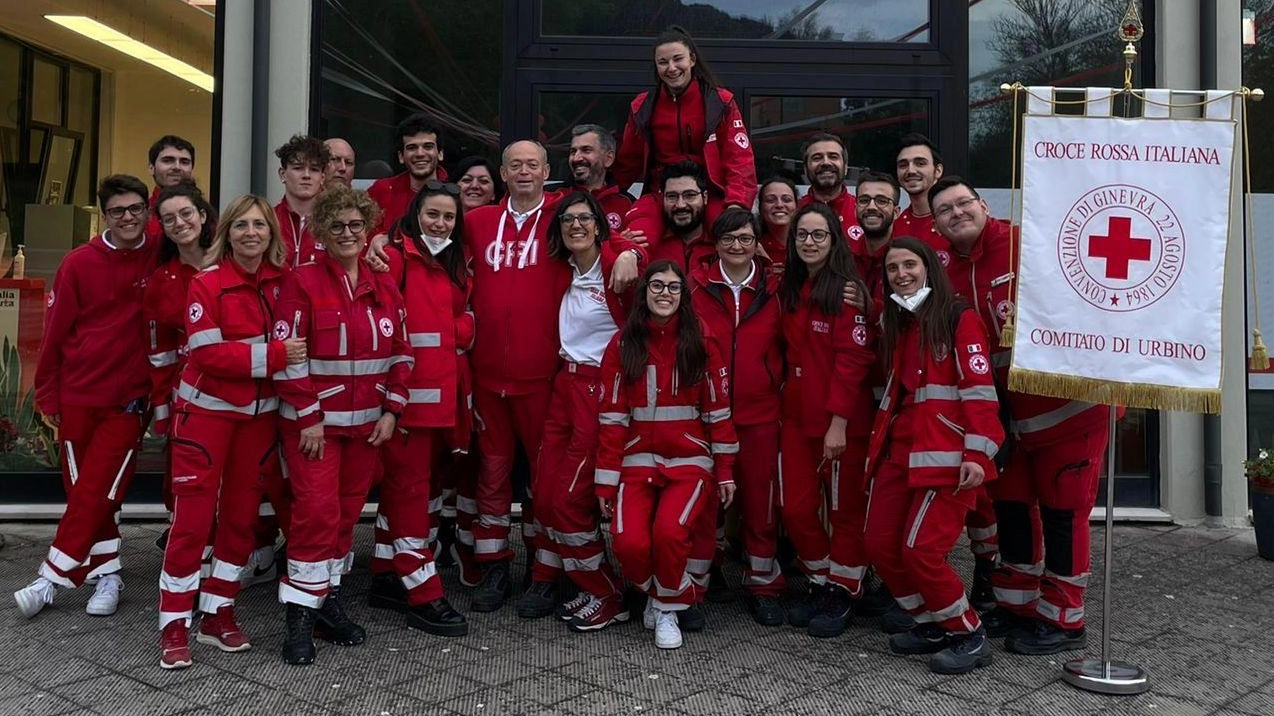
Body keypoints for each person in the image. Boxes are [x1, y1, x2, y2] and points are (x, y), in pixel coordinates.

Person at [927, 176, 1111, 656]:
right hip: (1007, 422)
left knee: (1062, 513)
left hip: (1068, 412)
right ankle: (1019, 606)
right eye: (944, 210)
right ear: (937, 224)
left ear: (984, 205)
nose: (956, 213)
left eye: (963, 203)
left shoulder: (1029, 244)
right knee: (1013, 510)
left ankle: (1065, 620)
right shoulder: (943, 269)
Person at [461, 140, 640, 612]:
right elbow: (426, 241)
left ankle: (544, 573)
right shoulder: (476, 222)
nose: (524, 172)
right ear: (502, 172)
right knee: (492, 478)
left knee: (545, 483)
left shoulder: (562, 217)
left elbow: (601, 234)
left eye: (533, 165)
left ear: (546, 172)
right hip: (486, 379)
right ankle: (494, 568)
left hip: (543, 379)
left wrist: (627, 253)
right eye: (515, 165)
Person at [156, 194, 296, 669]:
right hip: (207, 419)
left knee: (240, 520)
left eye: (260, 226)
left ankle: (218, 612)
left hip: (259, 422)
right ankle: (174, 623)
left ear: (271, 235)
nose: (251, 233)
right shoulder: (207, 284)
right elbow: (208, 355)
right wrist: (275, 357)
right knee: (193, 522)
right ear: (227, 234)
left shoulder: (284, 285)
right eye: (242, 226)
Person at [273, 186, 412, 665]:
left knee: (346, 517)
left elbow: (402, 353)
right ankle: (298, 620)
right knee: (314, 515)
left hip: (367, 430)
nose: (348, 234)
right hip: (315, 430)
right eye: (337, 226)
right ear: (321, 232)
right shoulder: (302, 282)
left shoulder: (384, 283)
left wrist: (393, 410)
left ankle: (325, 601)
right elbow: (289, 358)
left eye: (356, 225)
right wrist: (309, 417)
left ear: (368, 228)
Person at [16, 175, 160, 618]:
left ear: (146, 211)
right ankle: (109, 575)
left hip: (128, 401)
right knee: (87, 494)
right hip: (78, 397)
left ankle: (50, 578)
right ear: (104, 215)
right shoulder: (79, 263)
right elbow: (54, 333)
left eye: (136, 208)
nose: (129, 218)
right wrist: (47, 395)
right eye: (118, 211)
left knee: (98, 490)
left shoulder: (159, 255)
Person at [863, 236, 1003, 675]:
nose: (901, 275)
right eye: (892, 269)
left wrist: (978, 454)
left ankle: (967, 631)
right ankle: (930, 622)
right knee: (878, 544)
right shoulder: (901, 322)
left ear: (929, 268)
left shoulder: (959, 318)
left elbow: (980, 393)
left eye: (910, 265)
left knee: (919, 550)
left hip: (947, 458)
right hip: (900, 452)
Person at [595, 261, 738, 650]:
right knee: (628, 543)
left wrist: (725, 471)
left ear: (683, 296)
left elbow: (719, 413)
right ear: (643, 294)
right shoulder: (624, 344)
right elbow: (611, 420)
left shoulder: (702, 341)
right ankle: (664, 594)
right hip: (636, 458)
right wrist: (605, 483)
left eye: (674, 288)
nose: (664, 294)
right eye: (656, 286)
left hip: (690, 459)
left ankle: (666, 608)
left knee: (671, 534)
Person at [521, 191, 634, 630]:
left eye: (585, 218)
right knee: (545, 492)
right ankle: (575, 581)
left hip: (597, 390)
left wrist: (629, 251)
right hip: (562, 385)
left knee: (570, 499)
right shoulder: (562, 270)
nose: (576, 226)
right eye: (567, 219)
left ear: (600, 225)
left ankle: (607, 592)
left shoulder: (616, 270)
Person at [366, 180, 472, 637]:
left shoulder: (450, 262)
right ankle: (424, 593)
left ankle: (387, 574)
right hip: (402, 406)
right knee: (410, 497)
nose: (440, 223)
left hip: (435, 405)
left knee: (410, 491)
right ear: (414, 214)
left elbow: (464, 318)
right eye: (432, 214)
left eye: (449, 217)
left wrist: (462, 329)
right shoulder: (391, 259)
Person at [776, 203, 877, 638]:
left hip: (841, 422)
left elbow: (853, 360)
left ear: (834, 241)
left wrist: (838, 422)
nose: (809, 242)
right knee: (795, 506)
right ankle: (820, 578)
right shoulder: (792, 285)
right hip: (796, 418)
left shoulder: (846, 290)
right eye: (802, 235)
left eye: (819, 235)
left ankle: (844, 588)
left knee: (845, 511)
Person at [689, 209, 785, 625]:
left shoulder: (776, 288)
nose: (736, 246)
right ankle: (700, 579)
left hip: (760, 412)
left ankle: (763, 584)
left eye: (745, 238)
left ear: (757, 242)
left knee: (759, 502)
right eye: (728, 239)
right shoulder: (694, 287)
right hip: (705, 415)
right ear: (716, 243)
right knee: (706, 499)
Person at [614, 26, 756, 242]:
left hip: (710, 193)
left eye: (677, 59)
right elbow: (627, 162)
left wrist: (736, 205)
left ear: (692, 59)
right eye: (663, 62)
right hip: (660, 194)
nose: (671, 68)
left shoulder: (720, 102)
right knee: (634, 238)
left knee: (732, 237)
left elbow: (740, 160)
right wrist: (602, 193)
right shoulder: (642, 106)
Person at [144, 182, 215, 530]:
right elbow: (160, 353)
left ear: (202, 215)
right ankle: (187, 542)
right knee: (184, 476)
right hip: (187, 396)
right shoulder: (162, 279)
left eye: (186, 213)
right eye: (169, 219)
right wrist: (162, 410)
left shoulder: (232, 263)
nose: (180, 223)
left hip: (240, 391)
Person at [632, 161, 719, 281]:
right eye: (672, 196)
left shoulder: (721, 245)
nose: (680, 205)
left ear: (705, 197)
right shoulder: (647, 244)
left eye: (689, 195)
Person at [368, 114, 447, 235]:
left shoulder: (456, 192)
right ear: (401, 157)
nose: (420, 153)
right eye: (412, 147)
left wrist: (389, 239)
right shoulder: (382, 190)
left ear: (440, 153)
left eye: (428, 146)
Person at [892, 133, 952, 262]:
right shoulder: (895, 227)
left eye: (920, 163)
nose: (911, 170)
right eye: (903, 165)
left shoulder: (957, 219)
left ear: (938, 171)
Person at [274, 134, 330, 268]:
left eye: (314, 169)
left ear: (322, 177)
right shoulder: (268, 220)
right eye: (298, 168)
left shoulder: (334, 223)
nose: (306, 175)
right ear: (283, 174)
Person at [569, 124, 633, 230]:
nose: (576, 158)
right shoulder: (555, 196)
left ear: (608, 159)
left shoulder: (627, 203)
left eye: (586, 150)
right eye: (573, 152)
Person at [798, 132, 859, 236]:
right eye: (817, 158)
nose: (826, 162)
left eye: (833, 157)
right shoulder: (794, 212)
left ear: (845, 167)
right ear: (805, 169)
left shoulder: (861, 211)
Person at [145, 136, 196, 240]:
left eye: (184, 162)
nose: (177, 167)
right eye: (167, 161)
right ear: (151, 168)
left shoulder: (204, 212)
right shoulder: (140, 215)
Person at [757, 176, 797, 270]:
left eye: (787, 200)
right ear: (760, 208)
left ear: (796, 206)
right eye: (770, 200)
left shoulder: (808, 242)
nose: (779, 205)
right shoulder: (752, 246)